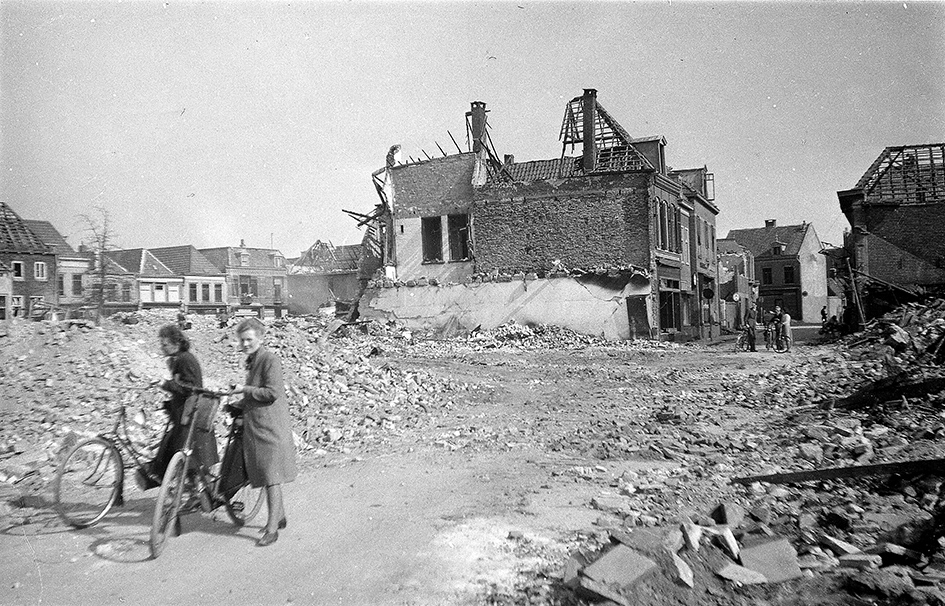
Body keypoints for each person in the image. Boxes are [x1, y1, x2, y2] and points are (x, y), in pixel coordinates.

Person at [230, 318, 297, 547]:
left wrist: (244, 390)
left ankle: (271, 530)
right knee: (270, 474)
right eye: (242, 340)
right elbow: (256, 393)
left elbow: (272, 392)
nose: (245, 344)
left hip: (270, 427)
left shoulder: (270, 360)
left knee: (271, 477)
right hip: (258, 426)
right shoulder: (253, 360)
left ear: (261, 338)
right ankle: (280, 517)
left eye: (249, 339)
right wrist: (238, 401)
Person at [138, 324, 218, 489]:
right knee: (174, 450)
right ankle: (177, 487)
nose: (162, 347)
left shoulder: (184, 359)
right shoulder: (179, 359)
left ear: (177, 343)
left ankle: (184, 491)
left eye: (165, 344)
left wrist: (165, 384)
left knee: (183, 455)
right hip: (184, 415)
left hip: (189, 416)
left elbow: (189, 387)